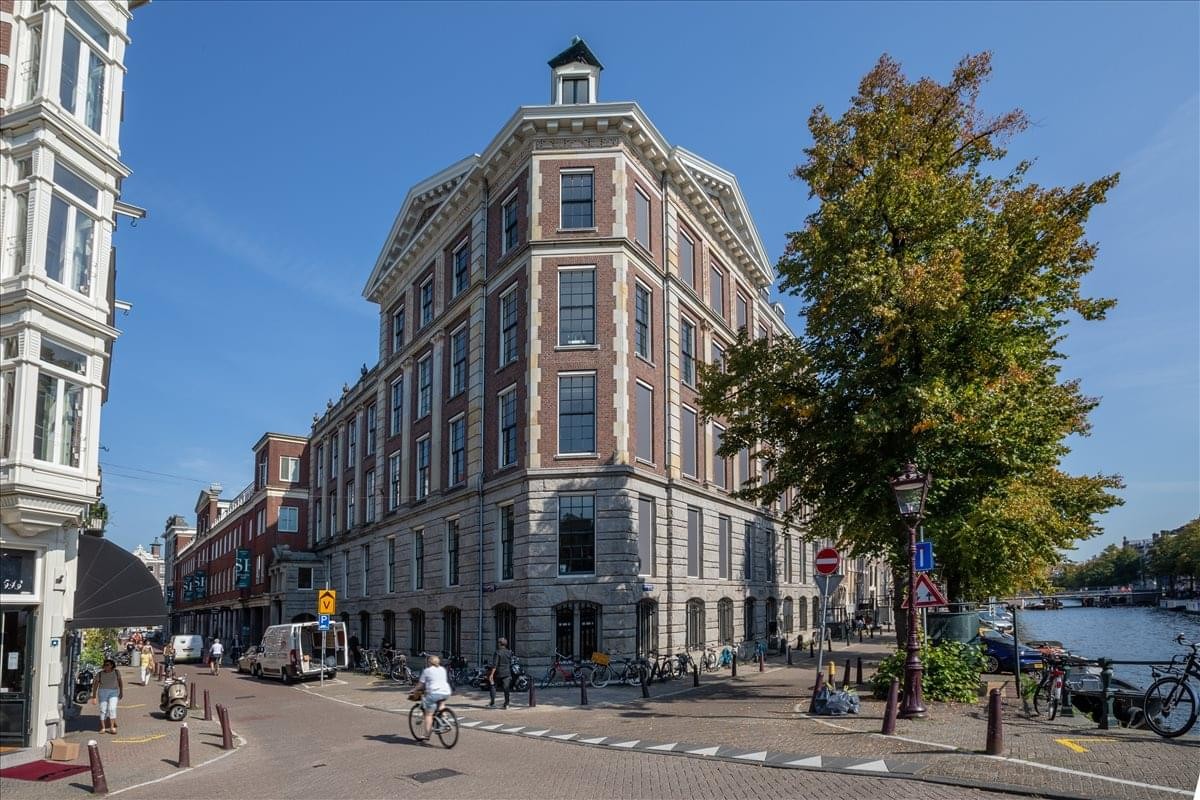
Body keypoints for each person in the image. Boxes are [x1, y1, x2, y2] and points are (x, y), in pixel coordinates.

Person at [414, 654, 452, 744]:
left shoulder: (427, 671)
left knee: (428, 714)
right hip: (446, 692)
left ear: (429, 662)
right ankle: (444, 718)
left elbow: (421, 684)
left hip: (434, 693)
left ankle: (426, 735)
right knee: (441, 703)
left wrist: (414, 689)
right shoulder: (442, 669)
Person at [91, 659, 123, 734]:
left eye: (107, 665)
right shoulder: (100, 674)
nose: (105, 666)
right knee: (103, 710)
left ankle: (112, 727)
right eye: (105, 665)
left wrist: (121, 692)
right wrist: (94, 696)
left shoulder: (116, 672)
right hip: (103, 692)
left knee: (112, 708)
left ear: (112, 665)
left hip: (114, 692)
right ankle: (103, 728)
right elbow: (95, 685)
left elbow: (120, 682)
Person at [487, 637, 515, 709]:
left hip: (498, 673)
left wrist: (491, 674)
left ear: (500, 644)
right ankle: (507, 704)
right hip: (507, 672)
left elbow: (495, 664)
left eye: (498, 643)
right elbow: (511, 662)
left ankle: (492, 703)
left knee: (493, 686)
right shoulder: (509, 652)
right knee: (506, 689)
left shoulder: (497, 652)